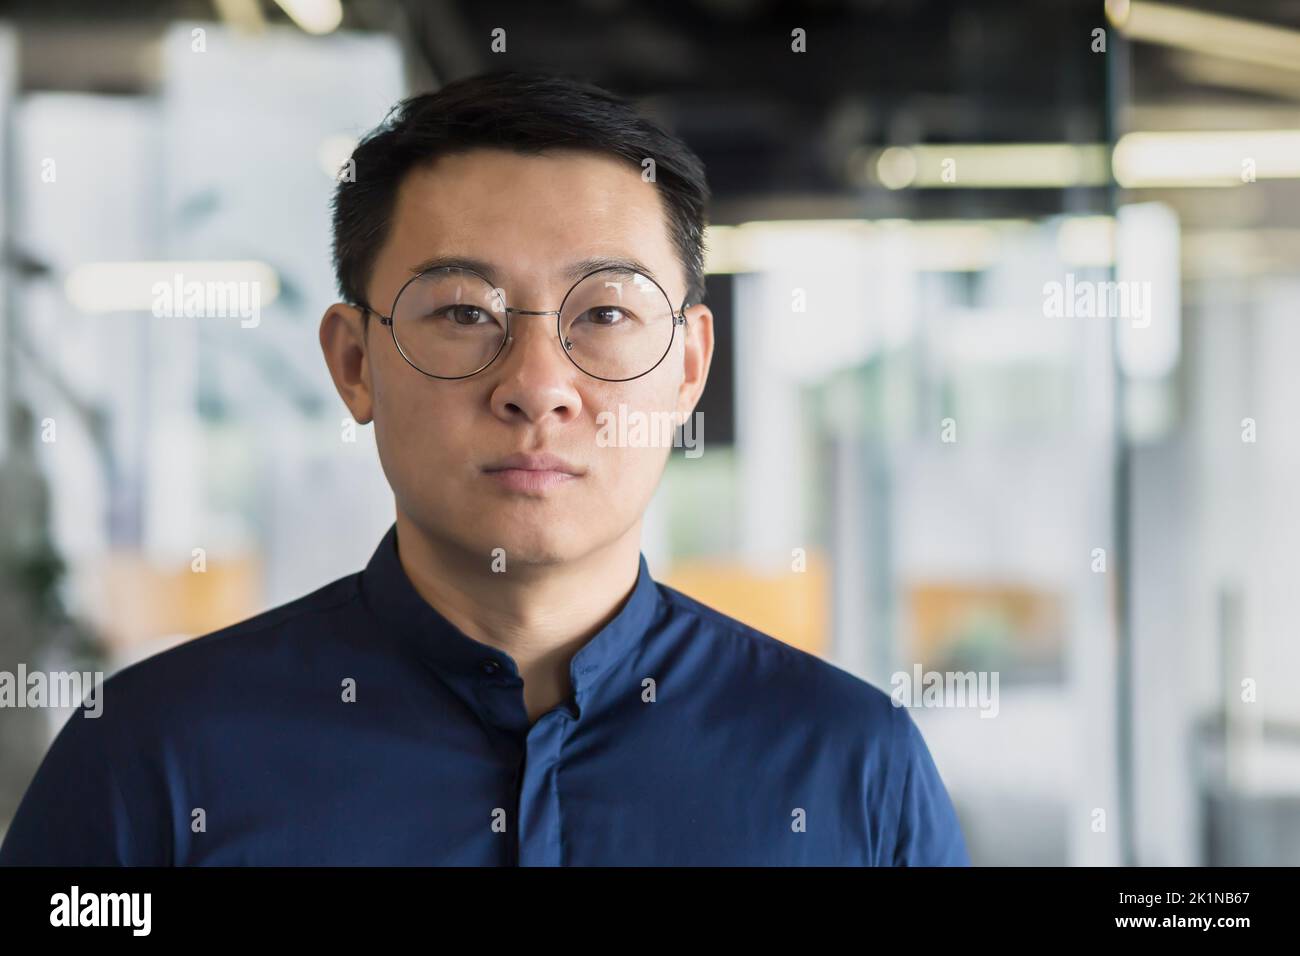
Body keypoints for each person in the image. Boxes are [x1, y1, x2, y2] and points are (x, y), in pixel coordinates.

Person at [0, 71, 969, 866]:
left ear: (686, 367)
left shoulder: (850, 763)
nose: (537, 385)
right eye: (464, 312)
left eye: (603, 314)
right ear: (353, 362)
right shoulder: (151, 756)